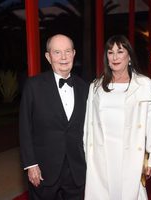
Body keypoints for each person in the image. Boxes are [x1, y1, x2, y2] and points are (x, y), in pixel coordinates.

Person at [83, 35, 151, 200]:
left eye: (120, 51)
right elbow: (88, 125)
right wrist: (87, 154)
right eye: (110, 52)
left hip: (131, 152)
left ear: (129, 56)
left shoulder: (144, 85)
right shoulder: (95, 87)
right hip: (101, 154)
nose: (115, 57)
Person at [19, 34, 89, 200]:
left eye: (67, 51)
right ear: (48, 57)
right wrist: (31, 164)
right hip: (43, 170)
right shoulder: (33, 86)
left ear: (74, 54)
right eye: (57, 52)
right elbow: (24, 128)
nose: (63, 57)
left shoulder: (85, 88)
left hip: (76, 170)